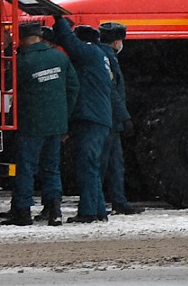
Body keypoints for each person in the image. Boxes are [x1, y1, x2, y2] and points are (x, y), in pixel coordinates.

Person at [2, 20, 77, 226]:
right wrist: (64, 116)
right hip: (56, 124)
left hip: (30, 124)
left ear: (22, 38)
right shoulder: (60, 57)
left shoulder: (22, 61)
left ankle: (23, 212)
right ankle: (54, 211)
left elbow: (6, 82)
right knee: (51, 168)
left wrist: (9, 49)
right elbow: (73, 88)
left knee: (25, 168)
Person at [53, 17, 116, 225]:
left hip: (91, 118)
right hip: (97, 117)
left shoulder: (88, 53)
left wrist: (59, 20)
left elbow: (69, 43)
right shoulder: (100, 55)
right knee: (92, 166)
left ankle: (88, 211)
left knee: (87, 165)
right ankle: (98, 210)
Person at [98, 22, 142, 215]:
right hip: (110, 119)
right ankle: (99, 202)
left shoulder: (105, 56)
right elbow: (113, 92)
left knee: (115, 162)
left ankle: (118, 200)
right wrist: (125, 117)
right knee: (104, 162)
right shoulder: (107, 58)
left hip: (111, 120)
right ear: (116, 41)